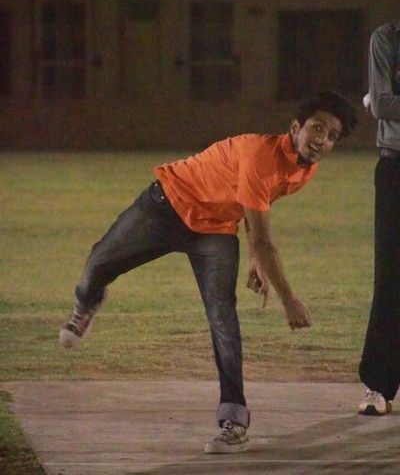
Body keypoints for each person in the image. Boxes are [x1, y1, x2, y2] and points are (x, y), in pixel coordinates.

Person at [60, 91, 357, 453]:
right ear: (296, 128)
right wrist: (289, 300)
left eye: (332, 136)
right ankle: (85, 303)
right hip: (168, 203)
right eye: (317, 128)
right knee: (98, 262)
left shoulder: (304, 170)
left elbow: (255, 208)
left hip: (214, 230)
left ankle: (234, 420)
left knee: (223, 318)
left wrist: (255, 259)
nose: (322, 140)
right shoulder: (260, 155)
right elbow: (264, 237)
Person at [359, 23, 400, 416]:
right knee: (390, 277)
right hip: (395, 167)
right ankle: (378, 385)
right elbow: (384, 106)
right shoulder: (386, 40)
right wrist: (382, 100)